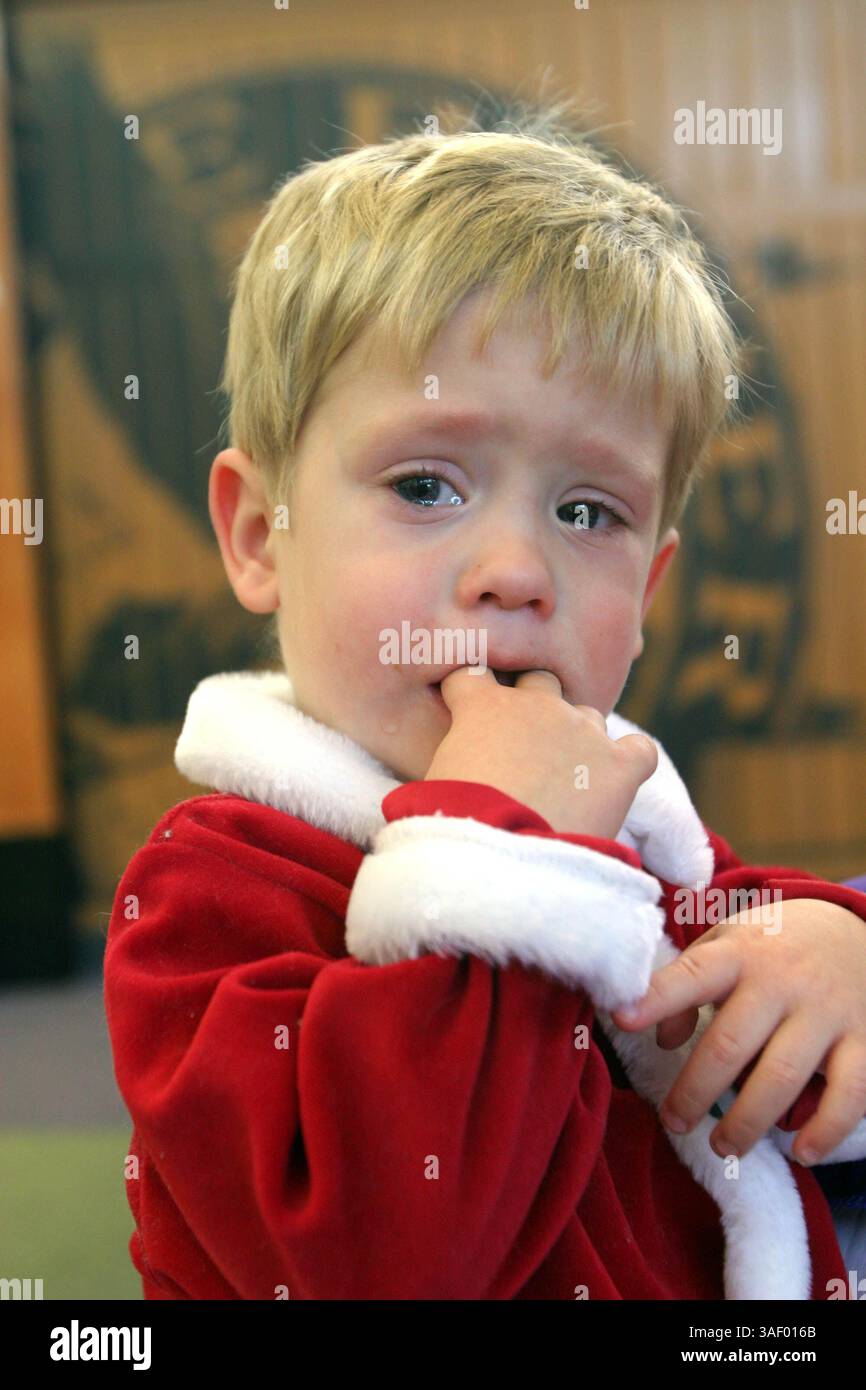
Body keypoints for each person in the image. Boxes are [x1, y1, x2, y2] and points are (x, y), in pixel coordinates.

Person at [103, 99, 866, 1300]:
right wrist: (506, 854)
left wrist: (827, 948)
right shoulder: (206, 893)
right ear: (259, 534)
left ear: (648, 590)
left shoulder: (626, 814)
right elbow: (379, 1263)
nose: (514, 570)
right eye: (424, 485)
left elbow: (743, 988)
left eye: (587, 511)